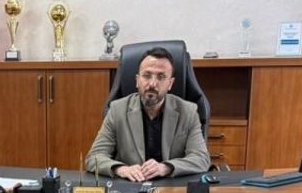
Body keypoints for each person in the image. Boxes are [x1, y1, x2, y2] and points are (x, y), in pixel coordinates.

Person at [85, 46, 210, 181]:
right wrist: (121, 169)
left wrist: (165, 167)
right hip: (131, 185)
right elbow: (94, 158)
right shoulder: (117, 110)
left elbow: (201, 159)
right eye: (147, 75)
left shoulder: (188, 111)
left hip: (171, 185)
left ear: (170, 83)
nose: (152, 84)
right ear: (137, 80)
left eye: (161, 77)